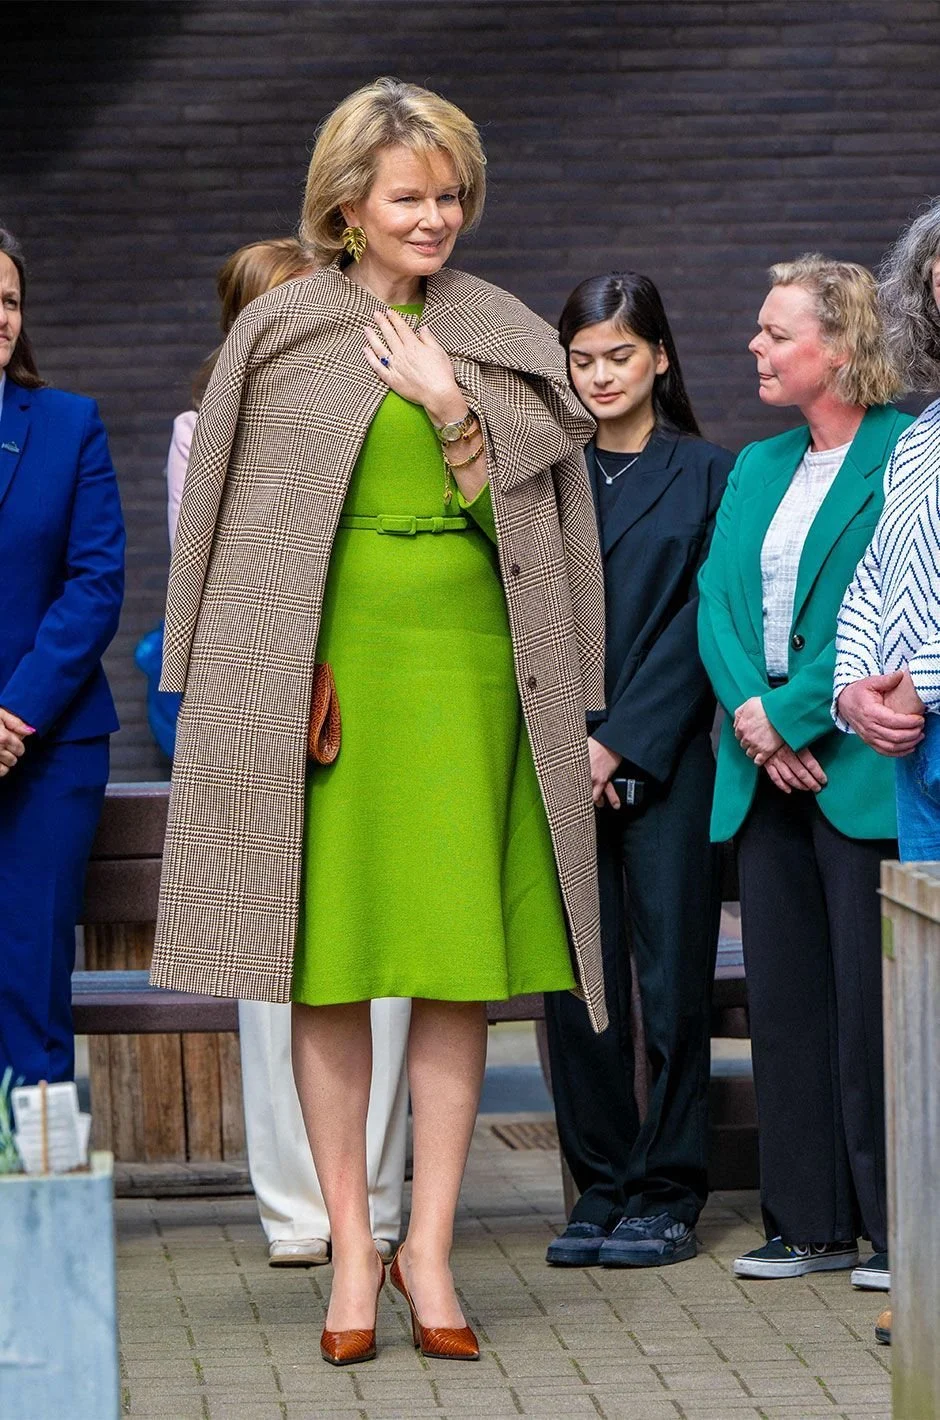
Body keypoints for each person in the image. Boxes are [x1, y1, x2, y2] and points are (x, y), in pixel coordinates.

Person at [149, 78, 605, 1367]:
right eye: (411, 196)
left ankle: (433, 1246)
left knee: (460, 967)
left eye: (452, 193)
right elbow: (232, 531)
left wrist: (454, 404)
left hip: (468, 677)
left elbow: (537, 524)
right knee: (329, 960)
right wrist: (263, 669)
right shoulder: (283, 330)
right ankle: (353, 1241)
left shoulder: (495, 328)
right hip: (329, 675)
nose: (437, 217)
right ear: (347, 203)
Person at [150, 236, 412, 1268]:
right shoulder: (200, 431)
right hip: (263, 707)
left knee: (385, 956)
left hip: (385, 701)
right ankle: (300, 1213)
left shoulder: (387, 407)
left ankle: (377, 1205)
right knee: (278, 962)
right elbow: (216, 578)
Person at [697, 254, 912, 1285]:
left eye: (776, 331)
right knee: (782, 1001)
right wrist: (755, 720)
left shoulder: (903, 455)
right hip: (762, 770)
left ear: (839, 345)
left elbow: (881, 610)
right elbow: (714, 603)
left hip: (855, 768)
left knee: (870, 1009)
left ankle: (891, 1231)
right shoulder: (754, 464)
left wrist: (789, 718)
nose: (756, 346)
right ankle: (805, 1223)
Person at [544, 272, 733, 1269]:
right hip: (553, 758)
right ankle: (600, 1185)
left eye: (619, 354)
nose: (601, 374)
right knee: (577, 985)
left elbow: (706, 620)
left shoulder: (709, 473)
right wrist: (562, 737)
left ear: (658, 356)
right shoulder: (550, 473)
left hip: (662, 763)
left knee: (671, 986)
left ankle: (668, 1188)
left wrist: (616, 741)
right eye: (582, 358)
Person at [0, 226, 124, 1086]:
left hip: (46, 750)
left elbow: (95, 584)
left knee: (31, 978)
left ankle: (35, 1201)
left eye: (8, 300)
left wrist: (13, 715)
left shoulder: (70, 424)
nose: (0, 318)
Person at [834, 199, 940, 870]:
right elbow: (874, 576)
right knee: (926, 966)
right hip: (918, 742)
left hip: (917, 708)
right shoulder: (922, 435)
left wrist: (914, 685)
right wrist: (850, 689)